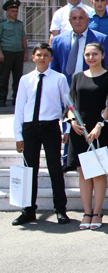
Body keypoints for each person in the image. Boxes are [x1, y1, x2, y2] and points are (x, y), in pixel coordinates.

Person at [11, 43, 71, 226]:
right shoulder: (25, 79)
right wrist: (18, 136)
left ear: (51, 58)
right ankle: (28, 210)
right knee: (30, 170)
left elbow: (68, 105)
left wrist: (67, 128)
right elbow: (19, 108)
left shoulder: (59, 78)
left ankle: (60, 210)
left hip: (50, 127)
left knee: (55, 169)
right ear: (33, 57)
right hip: (30, 128)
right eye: (39, 55)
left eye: (46, 55)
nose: (42, 58)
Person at [66, 42, 108, 229]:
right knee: (84, 172)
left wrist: (100, 125)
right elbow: (70, 103)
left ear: (103, 55)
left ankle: (98, 212)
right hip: (79, 131)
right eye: (87, 54)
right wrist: (72, 121)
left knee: (98, 172)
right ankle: (86, 212)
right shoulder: (77, 77)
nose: (91, 57)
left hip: (98, 130)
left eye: (95, 54)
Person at [51, 8, 108, 84]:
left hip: (92, 86)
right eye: (74, 18)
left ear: (88, 20)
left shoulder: (101, 39)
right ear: (70, 21)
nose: (77, 21)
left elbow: (106, 66)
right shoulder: (58, 41)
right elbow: (54, 68)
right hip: (65, 87)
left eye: (81, 18)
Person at [0, 0, 28, 107]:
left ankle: (17, 99)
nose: (15, 13)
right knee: (3, 77)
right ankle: (2, 99)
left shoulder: (19, 24)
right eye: (13, 11)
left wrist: (25, 52)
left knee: (18, 77)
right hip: (6, 52)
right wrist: (0, 53)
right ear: (7, 12)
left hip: (18, 53)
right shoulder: (2, 24)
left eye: (16, 11)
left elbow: (23, 39)